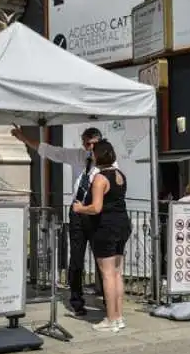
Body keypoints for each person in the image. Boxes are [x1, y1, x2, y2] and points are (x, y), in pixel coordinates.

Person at [11, 125, 105, 316]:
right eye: (86, 144)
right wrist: (23, 138)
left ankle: (105, 296)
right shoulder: (78, 155)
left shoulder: (107, 161)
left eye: (93, 144)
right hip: (78, 211)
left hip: (96, 212)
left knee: (102, 258)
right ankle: (76, 300)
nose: (89, 148)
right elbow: (50, 151)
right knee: (76, 258)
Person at [73, 140, 131, 332]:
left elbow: (96, 207)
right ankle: (119, 316)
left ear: (98, 156)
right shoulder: (120, 175)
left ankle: (111, 318)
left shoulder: (100, 178)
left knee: (107, 274)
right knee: (117, 273)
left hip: (105, 228)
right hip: (122, 224)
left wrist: (81, 208)